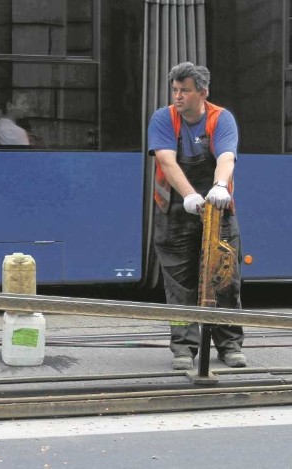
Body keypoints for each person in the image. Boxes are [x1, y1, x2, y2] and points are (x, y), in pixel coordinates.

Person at [148, 62, 246, 371]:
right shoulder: (163, 118)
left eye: (185, 91)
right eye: (175, 90)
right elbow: (166, 160)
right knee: (179, 286)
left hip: (219, 213)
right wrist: (190, 195)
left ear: (202, 93)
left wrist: (219, 186)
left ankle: (229, 345)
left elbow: (226, 157)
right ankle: (183, 348)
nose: (177, 96)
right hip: (175, 212)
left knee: (225, 279)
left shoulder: (221, 119)